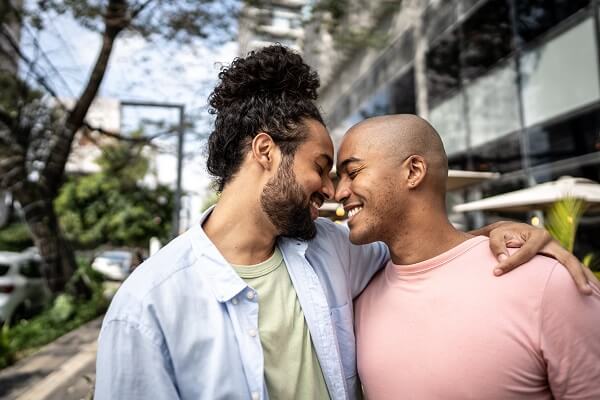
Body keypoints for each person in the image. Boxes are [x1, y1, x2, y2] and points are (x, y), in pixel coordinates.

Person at [95, 46, 593, 400]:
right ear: (266, 151)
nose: (333, 192)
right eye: (322, 167)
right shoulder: (148, 305)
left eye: (345, 173)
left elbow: (427, 248)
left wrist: (501, 234)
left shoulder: (336, 249)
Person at [335, 114, 600, 400]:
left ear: (413, 171)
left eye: (352, 173)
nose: (339, 192)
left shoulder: (551, 283)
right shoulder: (359, 298)